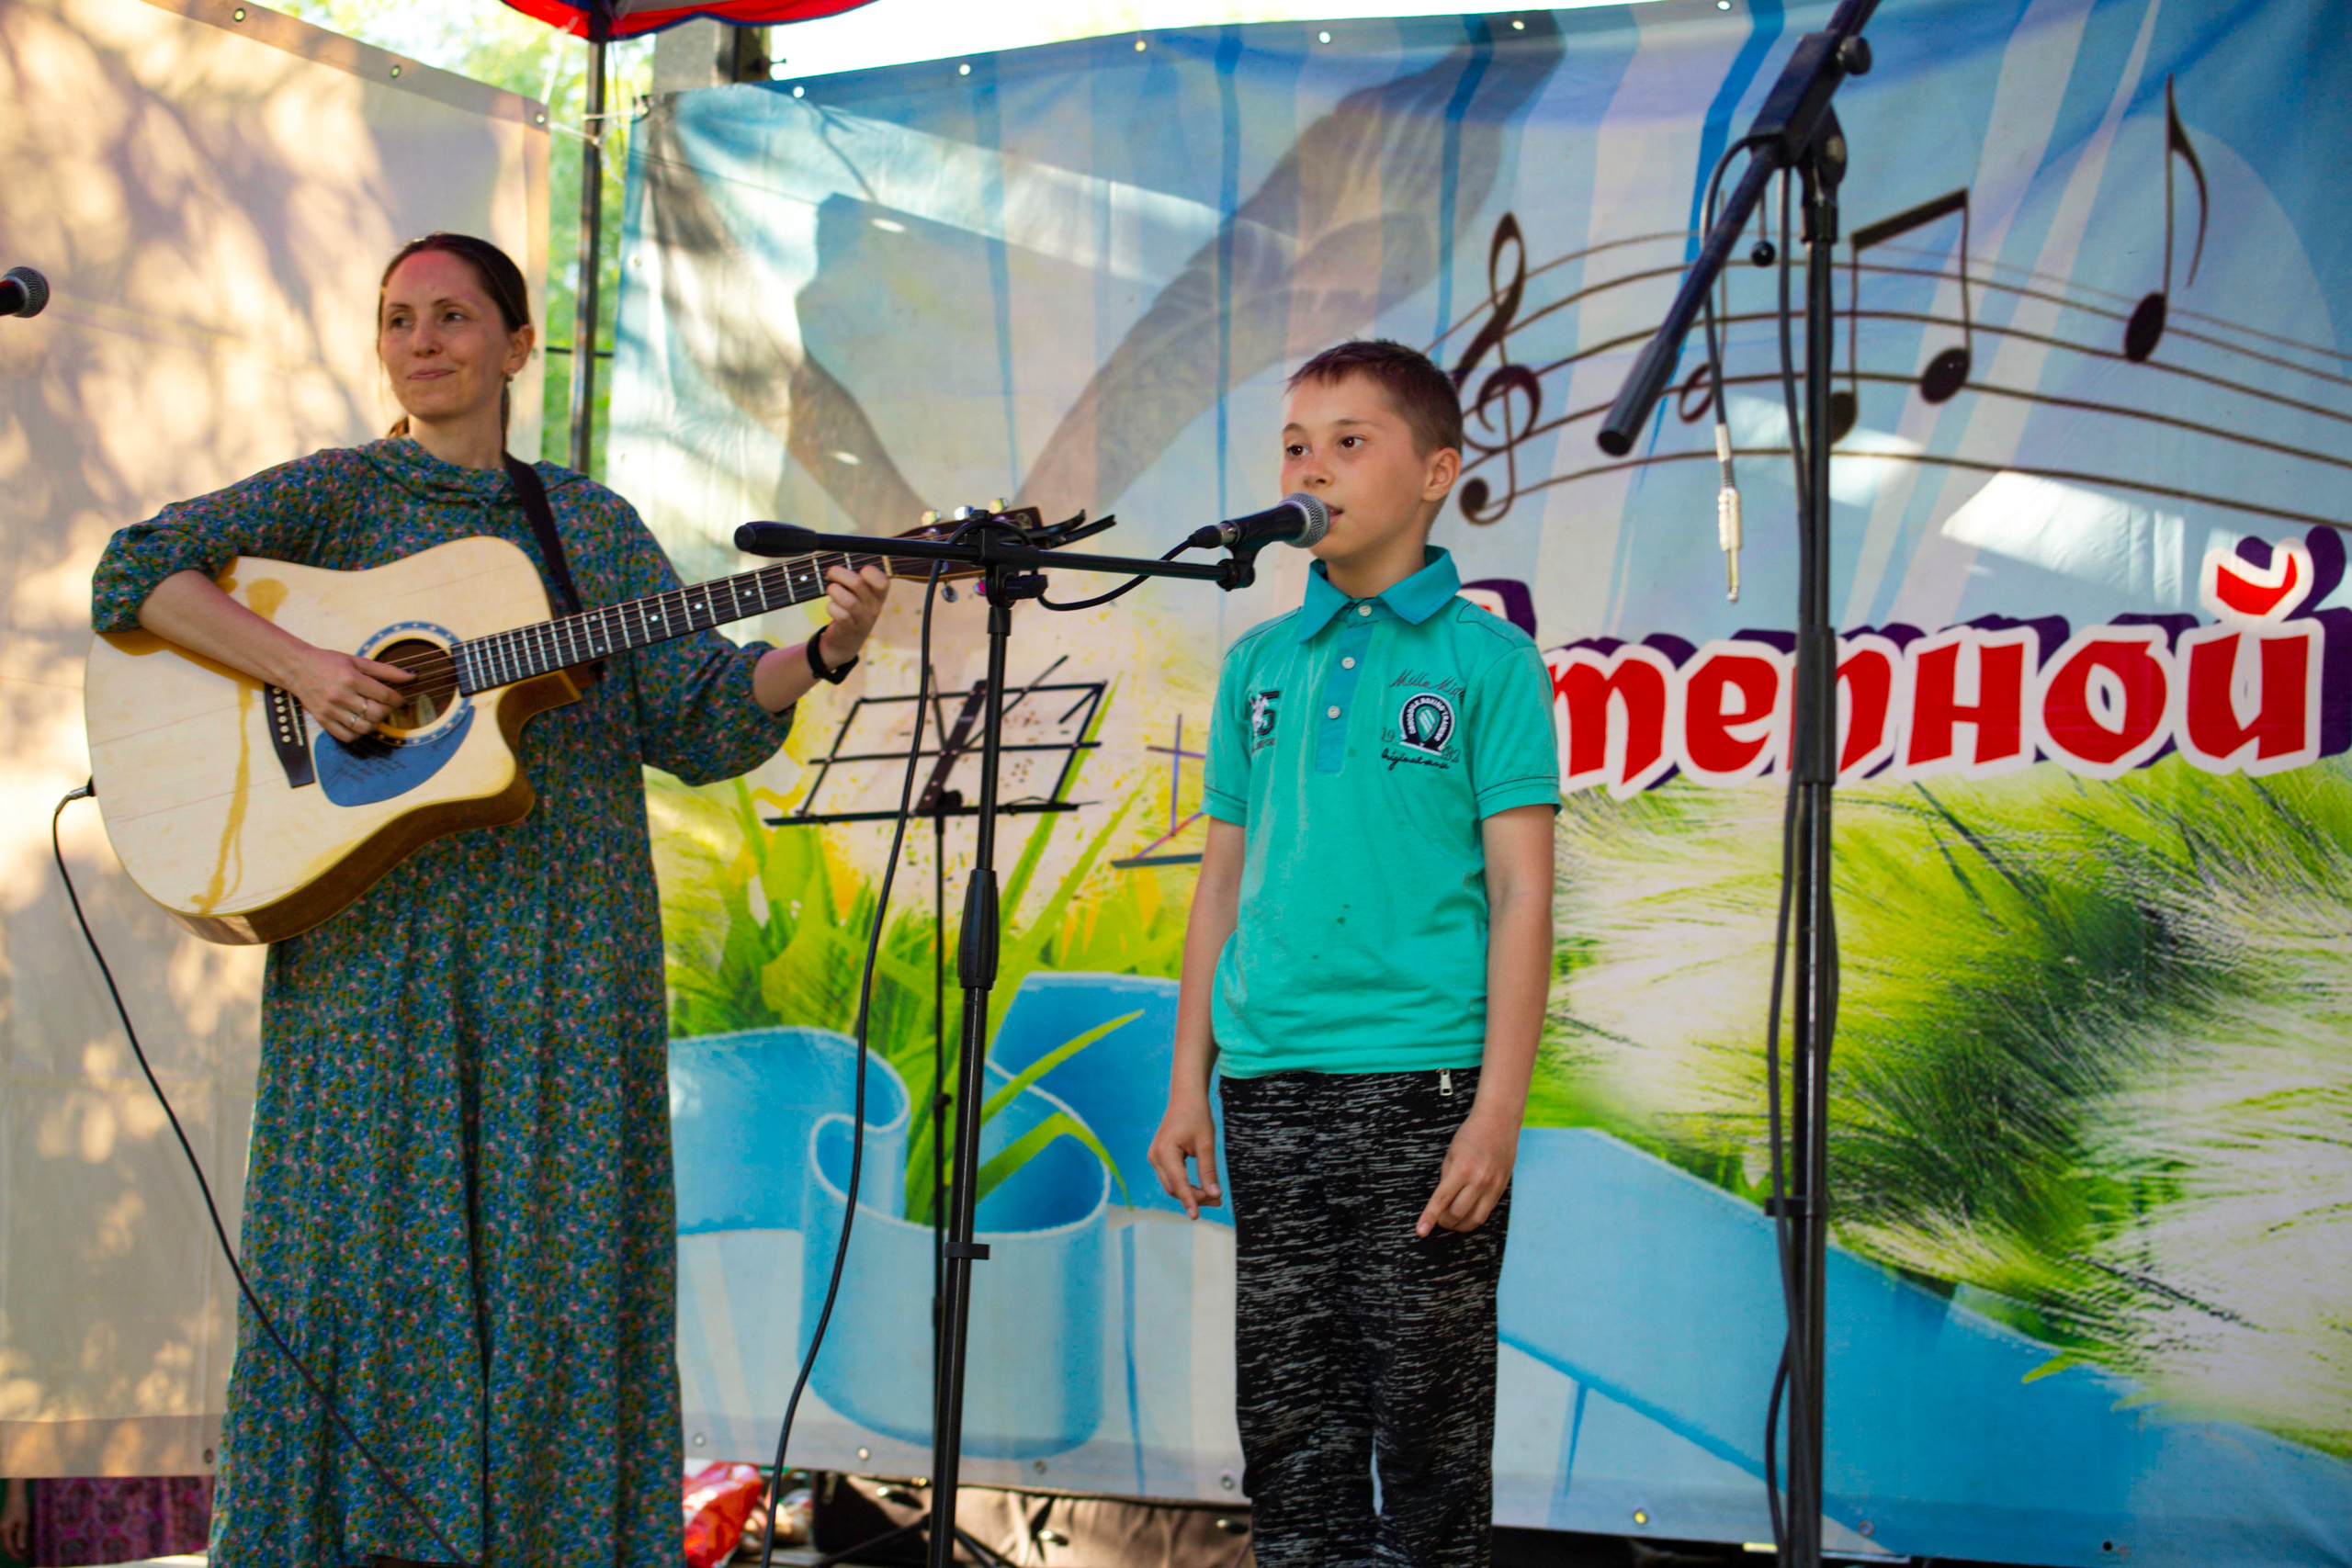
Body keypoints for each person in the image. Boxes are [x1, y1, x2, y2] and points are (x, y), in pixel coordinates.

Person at [88, 232, 890, 1567]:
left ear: (519, 346)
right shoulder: (339, 495)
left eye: (453, 317)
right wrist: (302, 668)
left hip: (565, 949)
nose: (421, 341)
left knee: (556, 1262)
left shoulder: (586, 526)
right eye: (398, 316)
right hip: (374, 951)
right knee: (364, 1251)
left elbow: (698, 716)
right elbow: (136, 571)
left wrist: (825, 647)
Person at [1147, 340, 1558, 1568]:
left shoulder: (1489, 662)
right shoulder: (1259, 664)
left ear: (1436, 473)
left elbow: (1523, 894)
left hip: (1421, 1087)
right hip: (1269, 1079)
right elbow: (1222, 883)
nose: (1311, 467)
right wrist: (1187, 1082)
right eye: (1294, 445)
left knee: (1427, 1432)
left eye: (1348, 441)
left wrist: (1496, 1112)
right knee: (1292, 1433)